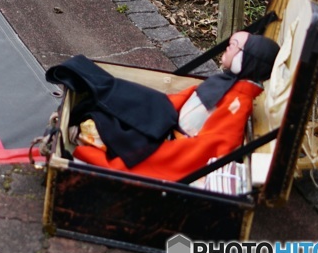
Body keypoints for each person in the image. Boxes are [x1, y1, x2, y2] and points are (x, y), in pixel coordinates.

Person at [48, 31, 280, 183]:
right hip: (167, 118)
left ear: (246, 59)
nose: (227, 49)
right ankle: (81, 78)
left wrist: (170, 150)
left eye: (233, 46)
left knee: (117, 123)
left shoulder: (237, 103)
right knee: (124, 95)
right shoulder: (228, 86)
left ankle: (83, 130)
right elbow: (185, 97)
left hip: (173, 144)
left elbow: (216, 145)